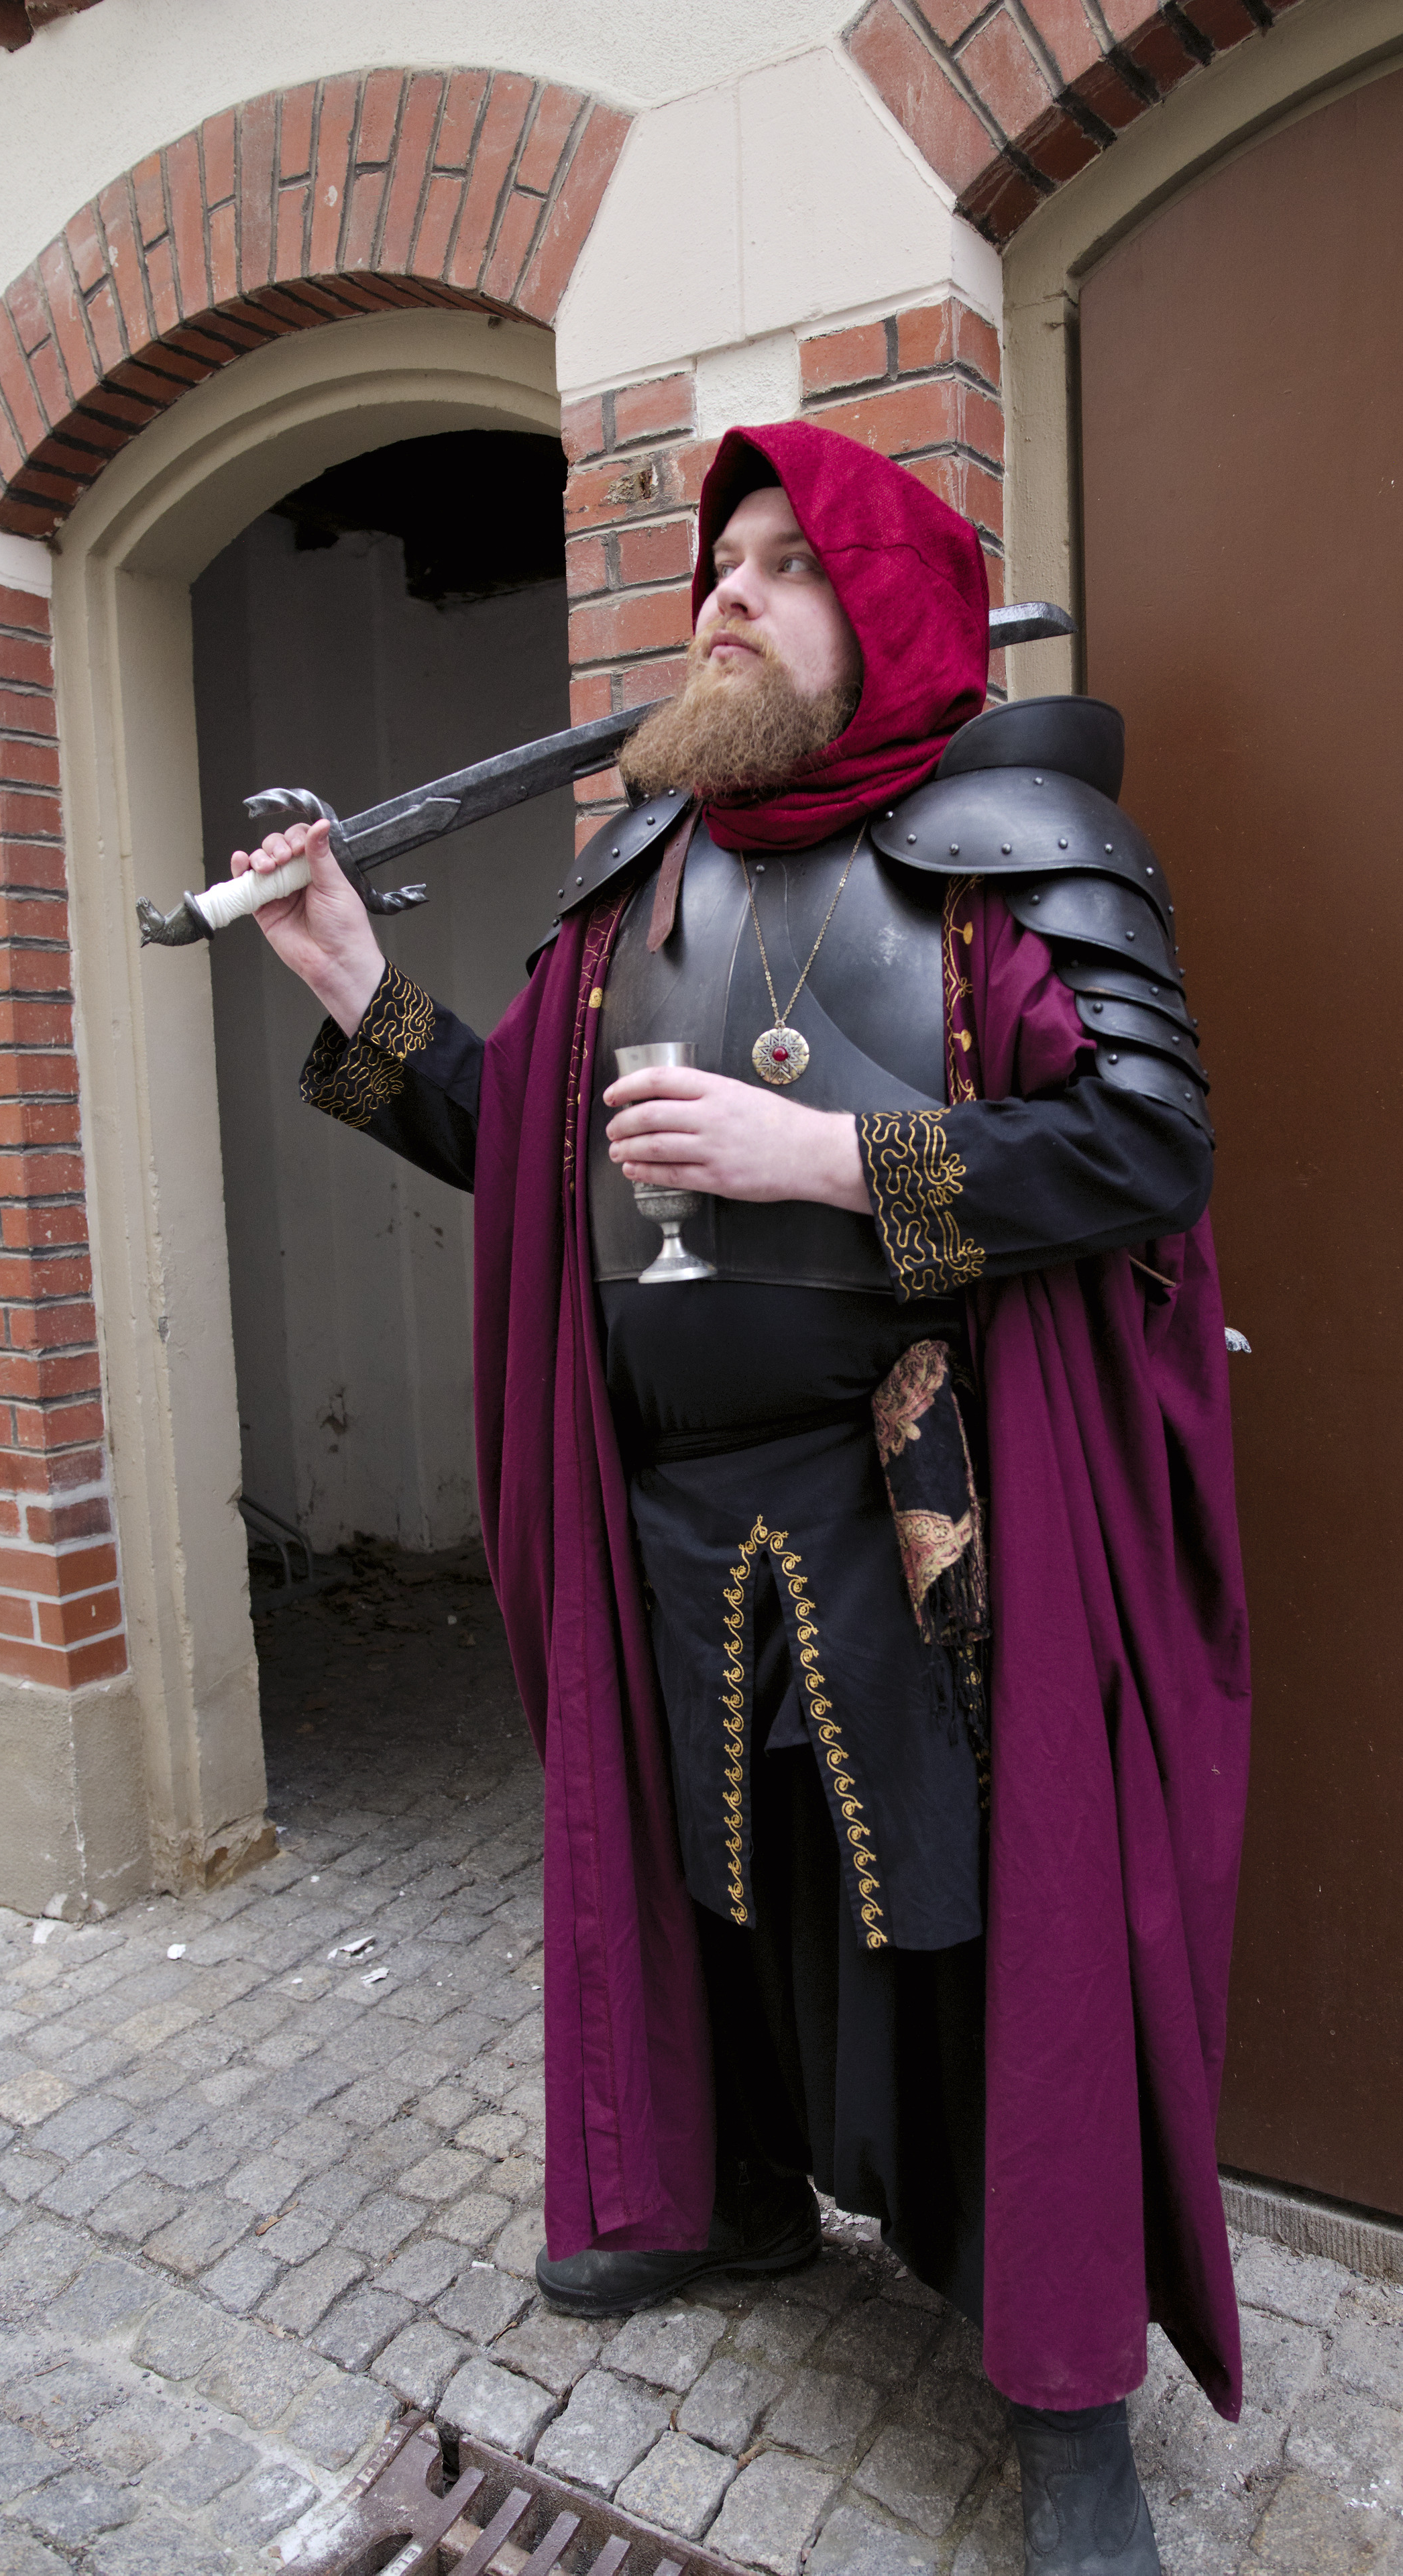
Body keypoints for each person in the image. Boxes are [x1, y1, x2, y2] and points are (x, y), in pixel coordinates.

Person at [231, 423, 1249, 2576]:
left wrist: (833, 1160)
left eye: (786, 565)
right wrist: (347, 978)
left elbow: (1148, 1148)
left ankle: (1063, 2396)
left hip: (939, 1510)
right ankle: (747, 2202)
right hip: (672, 1512)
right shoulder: (644, 876)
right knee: (733, 1884)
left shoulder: (1018, 849)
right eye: (718, 566)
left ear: (888, 614)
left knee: (982, 1933)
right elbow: (527, 1150)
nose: (727, 596)